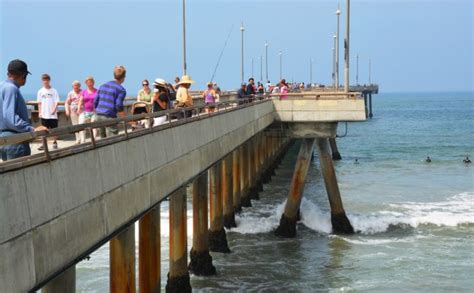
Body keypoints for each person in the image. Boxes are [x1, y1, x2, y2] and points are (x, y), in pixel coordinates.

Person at [0, 59, 48, 161]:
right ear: (23, 75)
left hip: (4, 141)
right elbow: (10, 118)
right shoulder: (11, 89)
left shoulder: (2, 86)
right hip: (16, 141)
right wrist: (32, 129)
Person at [94, 65, 127, 137]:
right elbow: (118, 106)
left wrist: (98, 111)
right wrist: (125, 118)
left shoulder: (102, 86)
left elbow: (95, 101)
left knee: (102, 139)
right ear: (123, 77)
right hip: (109, 116)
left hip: (98, 116)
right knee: (112, 140)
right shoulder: (121, 90)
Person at [37, 73, 60, 150]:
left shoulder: (54, 91)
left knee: (54, 129)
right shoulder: (40, 91)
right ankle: (44, 144)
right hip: (44, 114)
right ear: (42, 81)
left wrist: (54, 110)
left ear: (49, 80)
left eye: (46, 79)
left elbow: (57, 101)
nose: (45, 81)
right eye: (44, 80)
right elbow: (39, 103)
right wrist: (39, 112)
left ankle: (55, 142)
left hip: (53, 114)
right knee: (44, 129)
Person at [78, 76, 98, 143]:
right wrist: (79, 108)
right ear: (86, 83)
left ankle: (93, 140)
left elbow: (99, 100)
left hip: (94, 112)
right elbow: (80, 101)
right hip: (85, 111)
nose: (90, 83)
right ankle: (83, 140)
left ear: (93, 83)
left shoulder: (97, 91)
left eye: (91, 82)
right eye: (88, 82)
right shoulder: (84, 92)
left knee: (93, 126)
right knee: (81, 124)